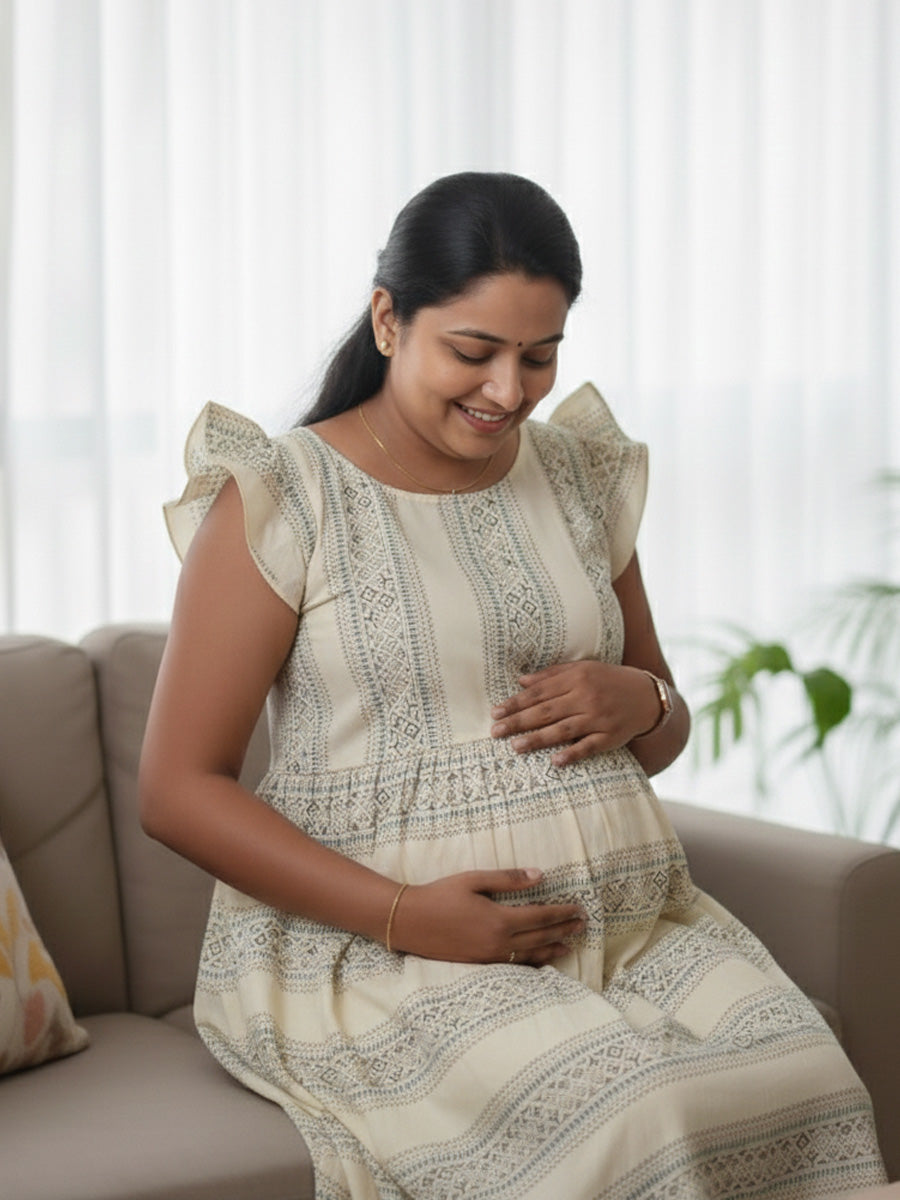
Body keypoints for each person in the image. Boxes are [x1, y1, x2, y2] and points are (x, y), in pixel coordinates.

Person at [139, 172, 887, 1199]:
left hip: (631, 925)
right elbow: (177, 790)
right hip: (380, 957)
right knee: (641, 1122)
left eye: (539, 356)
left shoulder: (579, 473)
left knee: (810, 1081)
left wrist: (646, 703)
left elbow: (660, 726)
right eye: (474, 352)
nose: (508, 390)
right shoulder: (286, 499)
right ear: (389, 320)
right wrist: (405, 914)